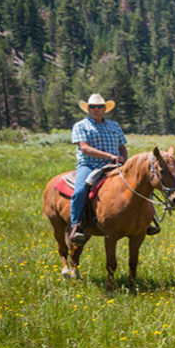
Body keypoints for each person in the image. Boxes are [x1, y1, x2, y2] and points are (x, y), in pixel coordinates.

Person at [69, 94, 128, 245]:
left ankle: (148, 220)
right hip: (90, 165)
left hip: (114, 166)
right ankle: (76, 226)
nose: (96, 109)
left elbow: (122, 147)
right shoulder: (81, 126)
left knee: (142, 183)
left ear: (105, 109)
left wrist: (124, 160)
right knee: (80, 191)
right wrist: (110, 155)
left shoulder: (114, 125)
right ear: (88, 109)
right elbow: (85, 148)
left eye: (99, 106)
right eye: (93, 107)